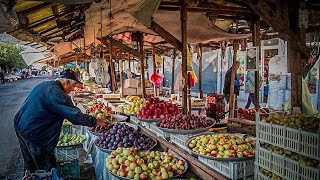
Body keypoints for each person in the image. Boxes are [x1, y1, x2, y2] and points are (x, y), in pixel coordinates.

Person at [14, 69, 109, 173]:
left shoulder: (48, 85)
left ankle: (30, 174)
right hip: (34, 132)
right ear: (66, 82)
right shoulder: (56, 93)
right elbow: (75, 115)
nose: (73, 89)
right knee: (45, 166)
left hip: (22, 124)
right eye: (73, 85)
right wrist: (94, 121)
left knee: (30, 163)